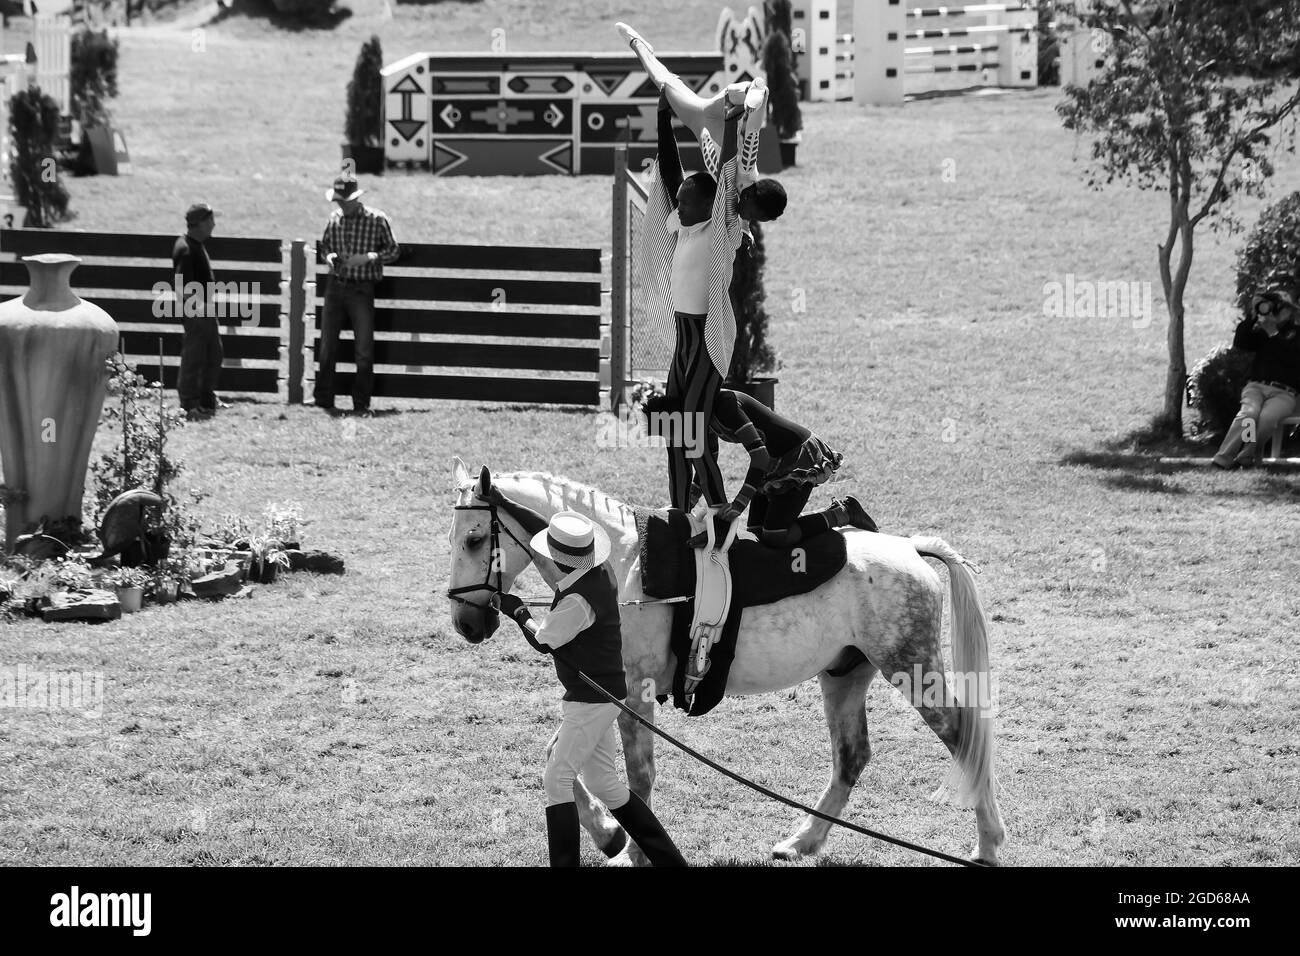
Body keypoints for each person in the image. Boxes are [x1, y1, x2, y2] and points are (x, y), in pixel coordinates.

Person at [496, 512, 687, 867]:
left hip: (590, 700)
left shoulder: (576, 602)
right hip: (603, 695)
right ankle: (670, 861)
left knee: (556, 779)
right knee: (603, 784)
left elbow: (544, 640)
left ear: (557, 559)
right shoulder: (600, 574)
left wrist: (517, 610)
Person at [316, 176, 401, 414]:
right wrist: (330, 257)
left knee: (363, 349)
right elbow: (325, 248)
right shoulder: (334, 219)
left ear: (355, 198)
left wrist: (370, 257)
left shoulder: (377, 219)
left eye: (343, 201)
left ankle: (361, 401)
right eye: (338, 201)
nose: (340, 205)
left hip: (362, 288)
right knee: (327, 345)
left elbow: (393, 250)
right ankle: (324, 398)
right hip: (336, 285)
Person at [1212, 282, 1300, 468]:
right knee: (1248, 415)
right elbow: (1241, 343)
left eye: (1284, 309)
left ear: (1291, 312)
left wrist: (1273, 332)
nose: (1280, 312)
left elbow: (1291, 358)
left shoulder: (1296, 333)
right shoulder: (1261, 329)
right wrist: (1253, 316)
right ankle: (1223, 459)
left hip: (1285, 393)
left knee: (1266, 419)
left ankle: (1246, 454)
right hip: (1256, 387)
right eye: (1277, 308)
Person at [172, 202, 224, 420]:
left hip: (204, 310)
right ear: (200, 223)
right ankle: (189, 404)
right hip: (197, 312)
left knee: (213, 354)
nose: (214, 224)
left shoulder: (194, 244)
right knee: (194, 358)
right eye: (211, 220)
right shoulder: (186, 249)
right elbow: (182, 286)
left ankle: (206, 400)